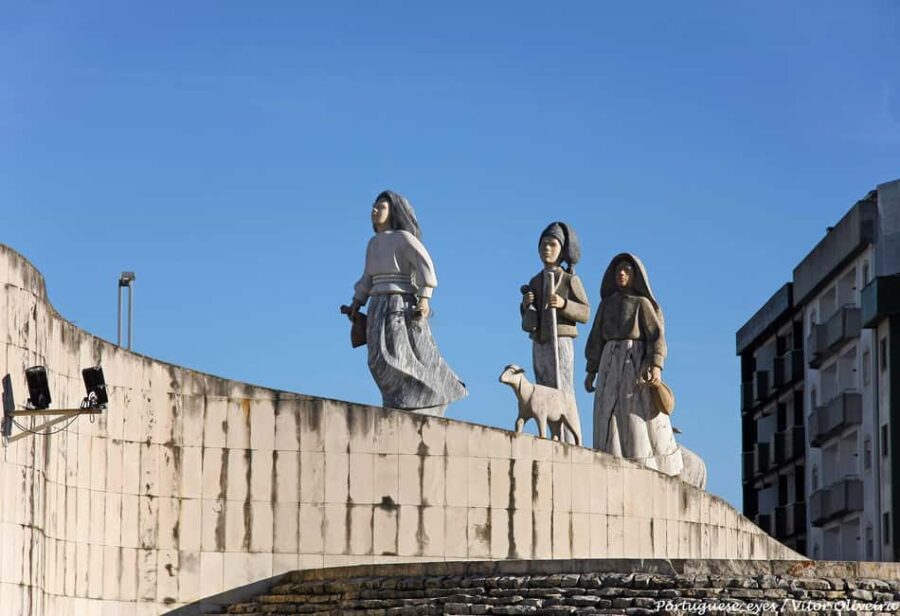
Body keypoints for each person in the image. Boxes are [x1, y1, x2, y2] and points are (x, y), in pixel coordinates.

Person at [347, 190, 467, 415]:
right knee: (377, 360)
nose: (374, 211)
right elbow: (367, 277)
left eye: (380, 207)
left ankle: (424, 400)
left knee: (401, 355)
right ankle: (397, 401)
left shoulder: (403, 238)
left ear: (393, 212)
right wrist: (357, 302)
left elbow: (425, 267)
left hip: (399, 304)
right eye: (373, 206)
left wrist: (424, 298)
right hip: (377, 306)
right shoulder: (373, 243)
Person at [584, 253, 683, 475]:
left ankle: (641, 463)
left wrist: (656, 364)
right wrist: (592, 369)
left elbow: (656, 336)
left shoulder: (642, 303)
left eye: (626, 270)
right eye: (618, 270)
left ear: (635, 275)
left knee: (632, 414)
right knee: (606, 414)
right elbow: (595, 338)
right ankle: (609, 459)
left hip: (633, 360)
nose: (621, 273)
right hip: (608, 363)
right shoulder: (606, 305)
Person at [520, 222, 589, 443]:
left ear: (562, 250)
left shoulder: (570, 280)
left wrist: (564, 303)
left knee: (563, 390)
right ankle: (554, 436)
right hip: (540, 341)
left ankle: (571, 439)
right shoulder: (535, 281)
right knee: (543, 390)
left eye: (552, 244)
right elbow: (527, 324)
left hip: (561, 340)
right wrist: (526, 306)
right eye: (543, 245)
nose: (546, 249)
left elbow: (585, 312)